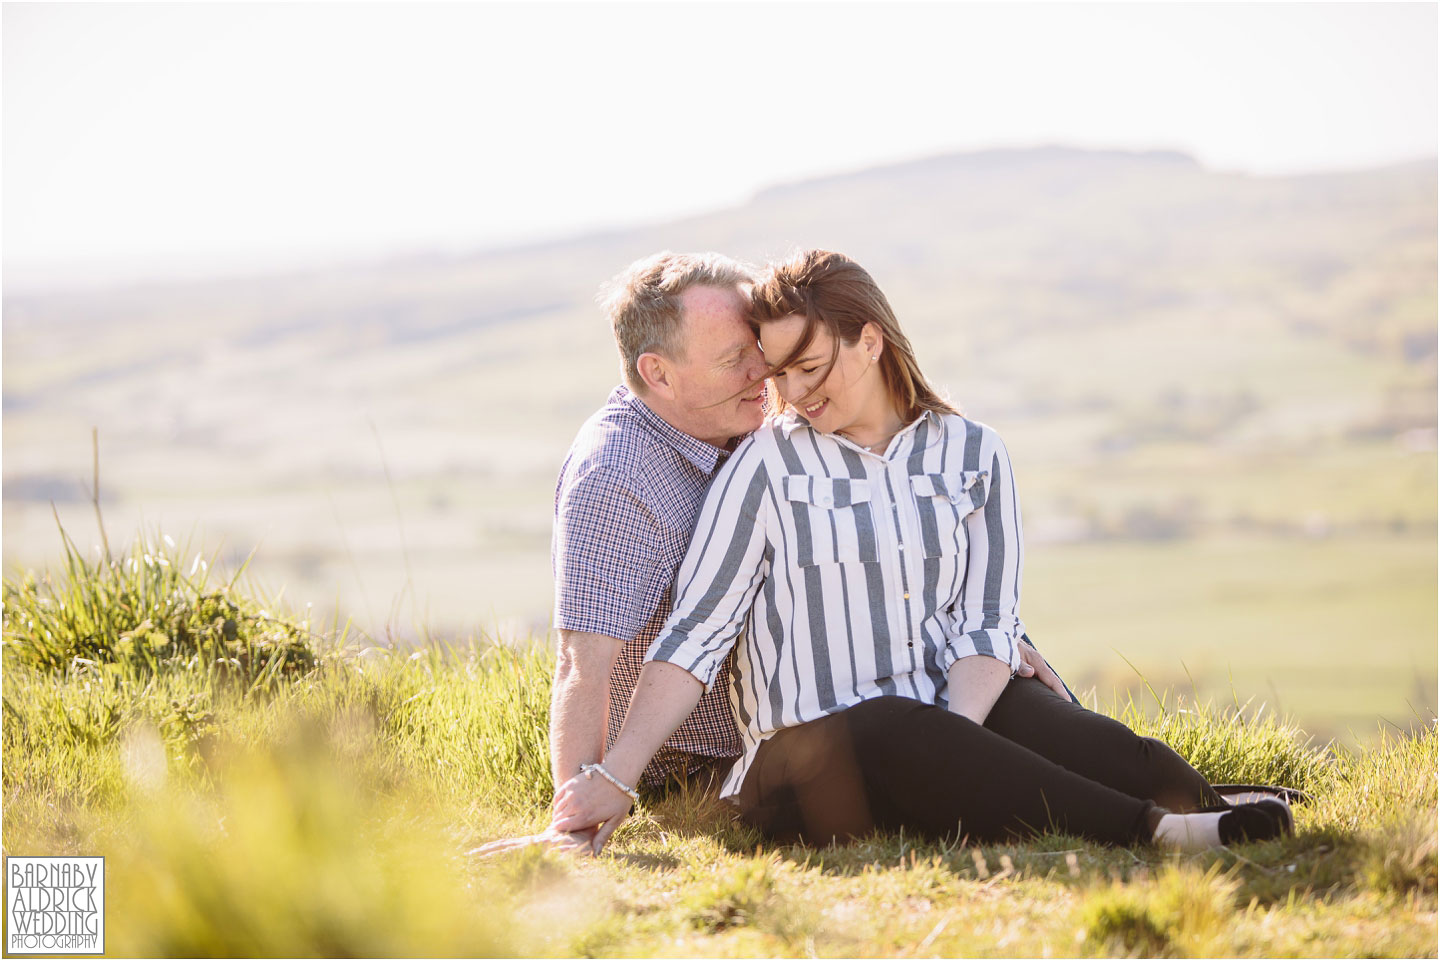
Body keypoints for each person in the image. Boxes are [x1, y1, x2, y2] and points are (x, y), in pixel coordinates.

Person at [550, 249, 1292, 855]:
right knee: (890, 727)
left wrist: (964, 737)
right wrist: (610, 779)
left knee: (1101, 745)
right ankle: (1157, 834)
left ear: (870, 339)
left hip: (936, 708)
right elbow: (693, 636)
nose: (787, 392)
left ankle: (1214, 805)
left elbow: (984, 620)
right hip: (796, 758)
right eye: (778, 372)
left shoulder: (973, 453)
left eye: (805, 367)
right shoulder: (760, 461)